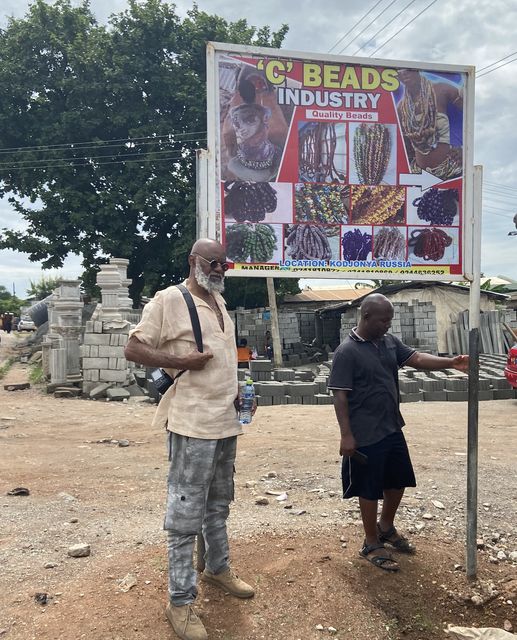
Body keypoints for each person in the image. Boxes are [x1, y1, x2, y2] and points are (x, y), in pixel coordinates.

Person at [124, 238, 254, 640]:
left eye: (224, 265)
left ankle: (217, 569)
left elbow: (227, 358)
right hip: (191, 425)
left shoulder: (220, 305)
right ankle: (180, 602)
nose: (218, 269)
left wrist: (239, 389)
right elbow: (133, 348)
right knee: (184, 516)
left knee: (219, 503)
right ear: (192, 261)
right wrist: (182, 361)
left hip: (226, 422)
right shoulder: (169, 299)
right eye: (212, 263)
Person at [328, 293, 468, 572]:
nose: (389, 325)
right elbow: (339, 395)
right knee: (368, 489)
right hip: (364, 434)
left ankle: (385, 527)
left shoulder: (387, 342)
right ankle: (370, 542)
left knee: (397, 482)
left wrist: (451, 363)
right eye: (384, 320)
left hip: (391, 426)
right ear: (366, 317)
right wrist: (346, 435)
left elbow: (415, 358)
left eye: (390, 319)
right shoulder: (347, 351)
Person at [397, 69, 463, 181]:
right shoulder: (402, 108)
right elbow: (404, 146)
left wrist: (463, 150)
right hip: (419, 177)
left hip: (451, 172)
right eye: (400, 72)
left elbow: (469, 119)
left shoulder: (442, 90)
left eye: (408, 71)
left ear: (417, 71)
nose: (404, 74)